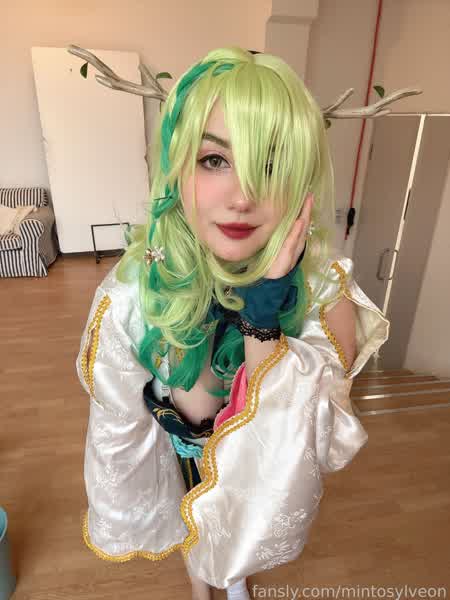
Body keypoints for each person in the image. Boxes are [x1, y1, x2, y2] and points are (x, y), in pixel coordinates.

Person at [76, 47, 390, 600]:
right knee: (196, 520)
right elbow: (132, 423)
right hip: (185, 459)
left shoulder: (324, 289)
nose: (243, 196)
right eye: (214, 160)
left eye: (269, 165)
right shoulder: (134, 291)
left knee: (237, 526)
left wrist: (263, 316)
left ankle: (236, 580)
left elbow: (306, 439)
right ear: (179, 165)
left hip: (262, 475)